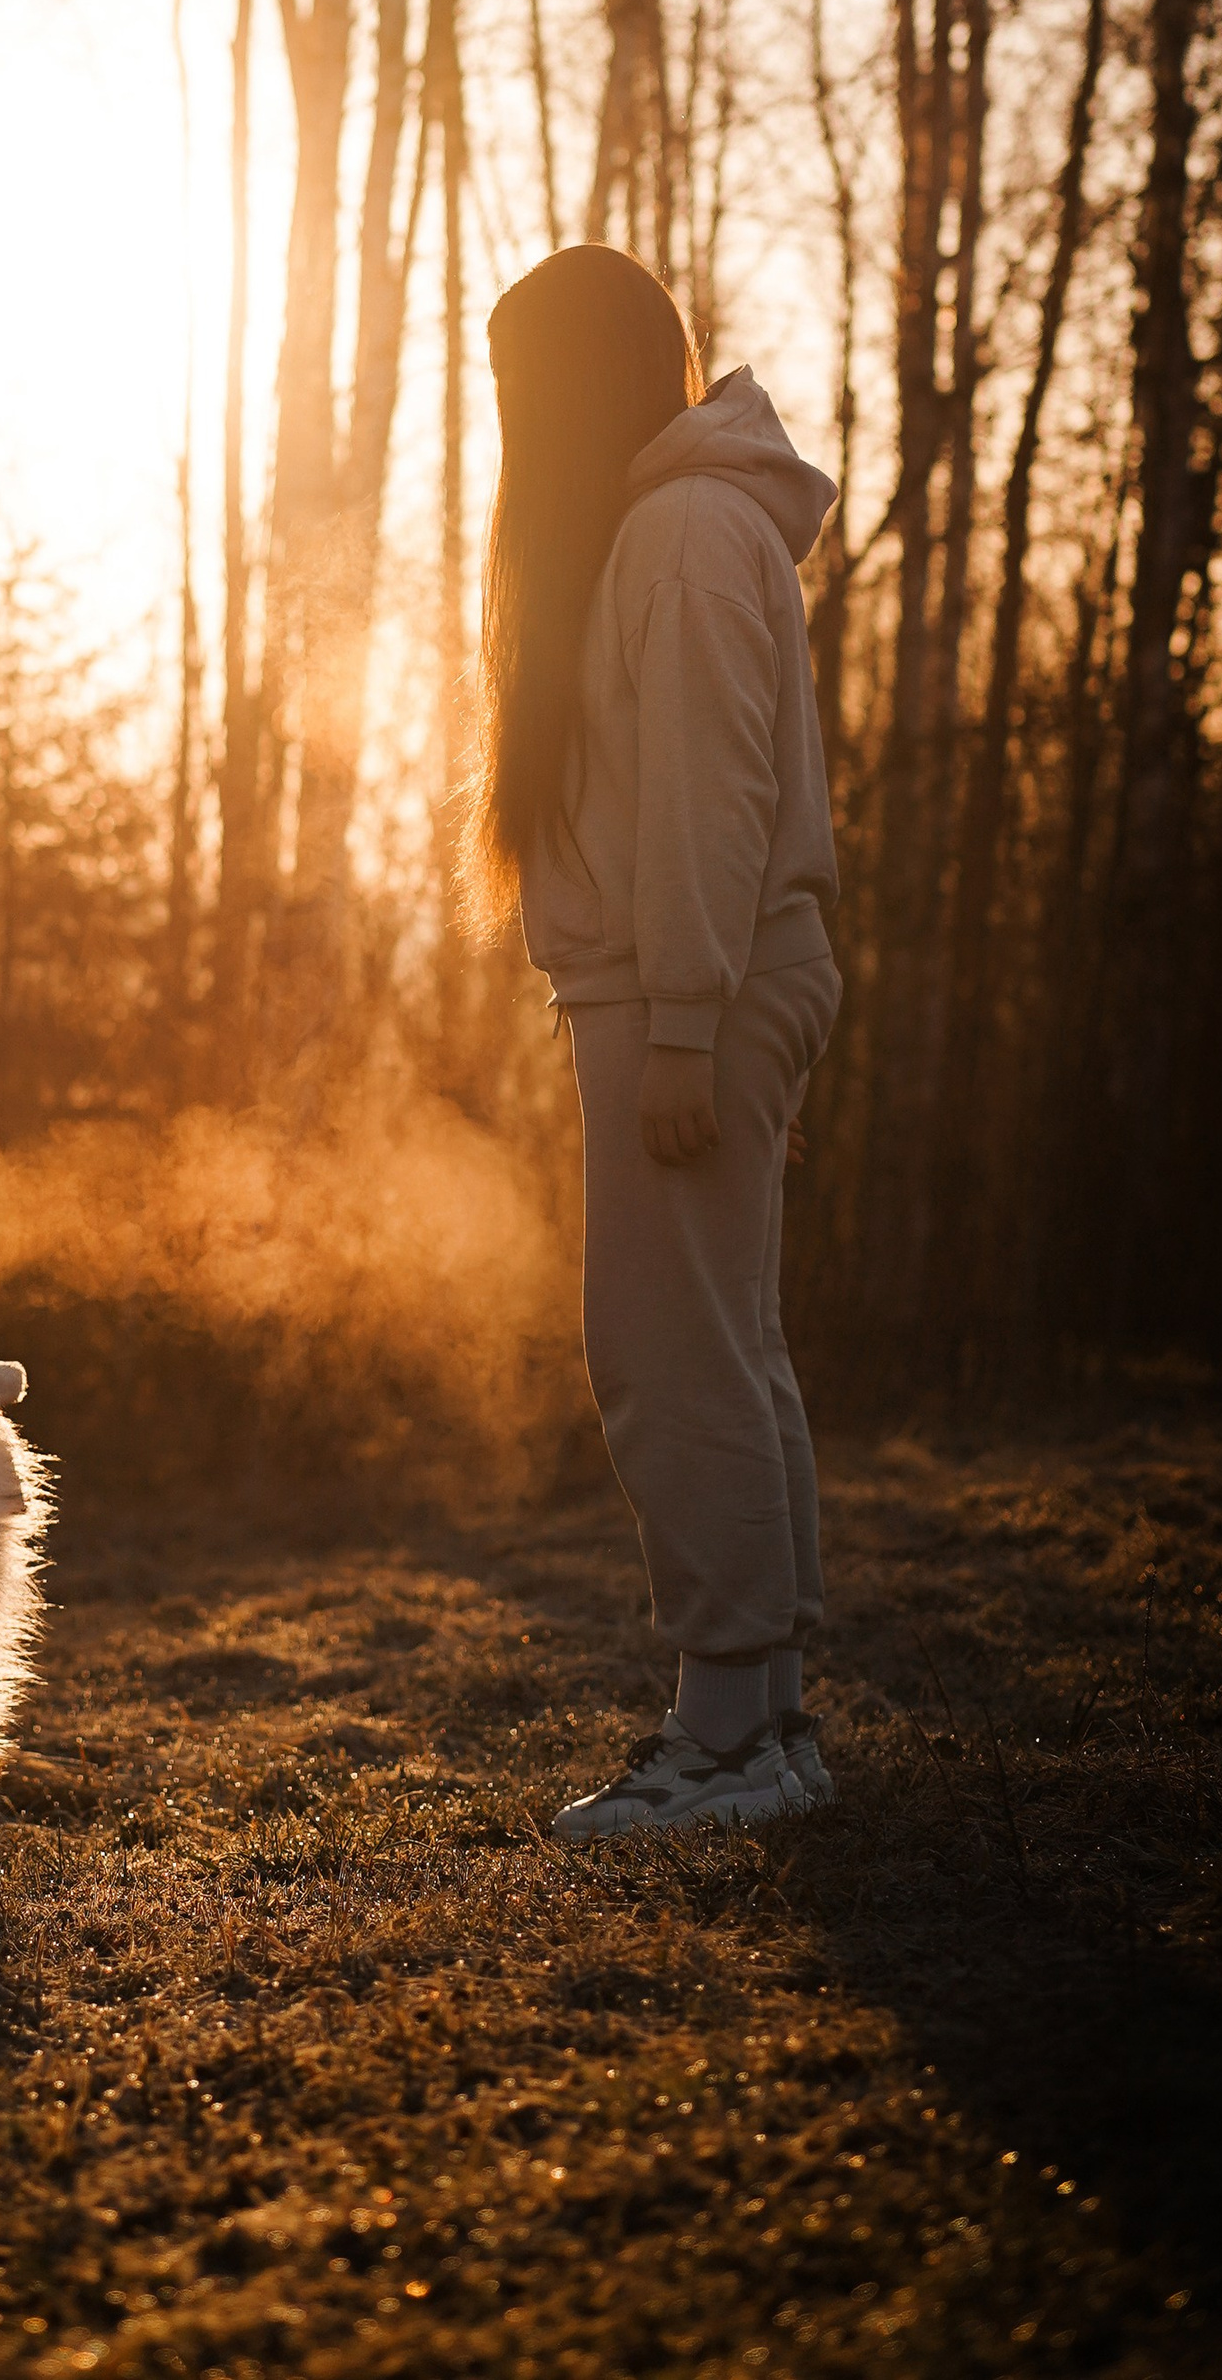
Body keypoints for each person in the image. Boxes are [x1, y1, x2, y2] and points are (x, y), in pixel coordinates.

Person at [465, 245, 843, 1839]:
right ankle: (761, 1723)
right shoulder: (665, 529)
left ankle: (730, 1742)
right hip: (683, 991)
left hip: (695, 993)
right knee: (713, 1340)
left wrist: (683, 1024)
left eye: (514, 388)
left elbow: (713, 799)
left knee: (668, 1351)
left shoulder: (682, 535)